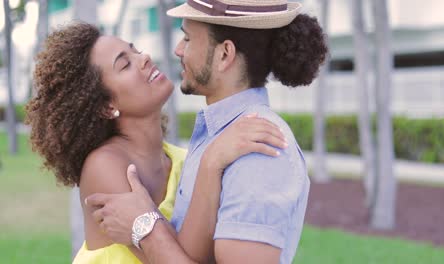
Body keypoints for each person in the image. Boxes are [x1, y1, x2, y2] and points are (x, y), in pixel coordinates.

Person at [86, 0, 328, 263]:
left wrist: (144, 228)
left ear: (225, 54)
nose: (178, 50)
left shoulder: (260, 148)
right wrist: (210, 163)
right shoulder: (219, 141)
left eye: (188, 39)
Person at [25, 22, 287, 263]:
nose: (144, 58)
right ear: (106, 105)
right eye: (124, 64)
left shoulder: (183, 161)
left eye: (135, 50)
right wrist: (211, 162)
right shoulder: (104, 166)